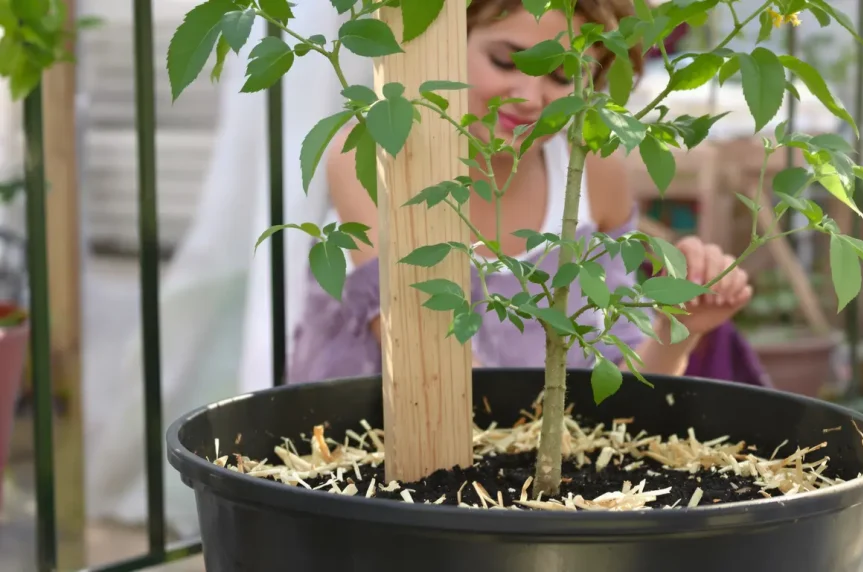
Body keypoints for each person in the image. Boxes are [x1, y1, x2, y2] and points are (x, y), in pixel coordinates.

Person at [288, 0, 768, 385]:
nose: (529, 97)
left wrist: (675, 327)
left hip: (533, 467)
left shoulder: (591, 175)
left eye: (562, 77)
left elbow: (617, 387)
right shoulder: (377, 158)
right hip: (360, 454)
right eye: (507, 60)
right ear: (443, 42)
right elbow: (425, 359)